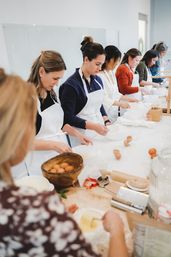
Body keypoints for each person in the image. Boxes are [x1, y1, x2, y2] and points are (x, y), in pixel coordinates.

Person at [0, 68, 129, 257]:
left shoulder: (30, 208)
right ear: (15, 134)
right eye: (31, 125)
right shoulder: (31, 209)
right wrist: (117, 230)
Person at [26, 50, 92, 175]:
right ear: (41, 72)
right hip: (39, 163)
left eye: (59, 79)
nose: (57, 83)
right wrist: (54, 145)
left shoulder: (51, 93)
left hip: (60, 158)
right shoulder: (27, 99)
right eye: (55, 78)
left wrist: (78, 134)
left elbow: (59, 124)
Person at [59, 37, 110, 146]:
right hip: (82, 137)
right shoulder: (71, 85)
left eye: (101, 64)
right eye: (97, 64)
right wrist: (93, 126)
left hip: (99, 130)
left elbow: (98, 104)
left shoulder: (98, 80)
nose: (100, 68)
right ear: (86, 60)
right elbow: (68, 118)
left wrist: (106, 119)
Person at [99, 45, 138, 122]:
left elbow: (116, 94)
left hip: (114, 112)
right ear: (109, 59)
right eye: (116, 62)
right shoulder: (99, 76)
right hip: (104, 114)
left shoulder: (111, 73)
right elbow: (103, 99)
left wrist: (130, 99)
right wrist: (120, 104)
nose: (116, 64)